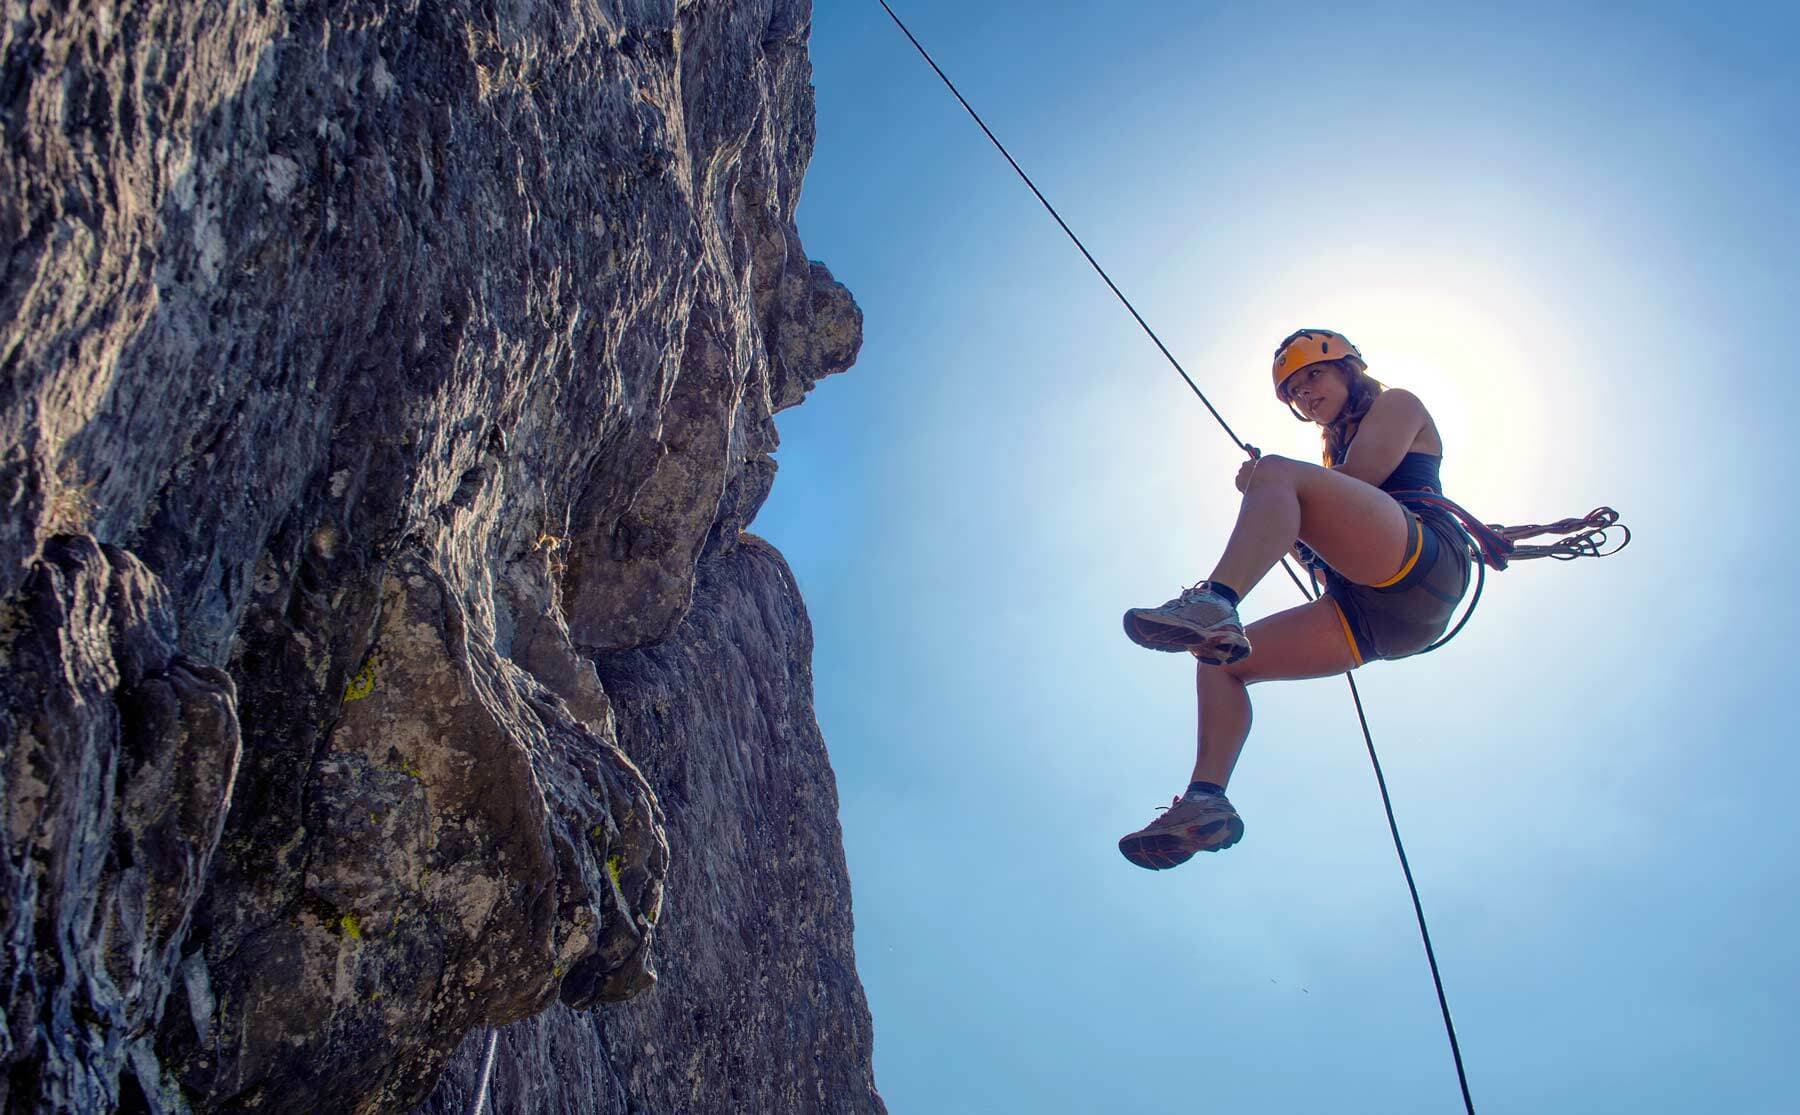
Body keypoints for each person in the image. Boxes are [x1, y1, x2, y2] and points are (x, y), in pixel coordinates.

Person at [1116, 329, 1472, 869]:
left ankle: (1215, 600)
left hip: (1424, 562)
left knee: (1278, 470)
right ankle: (1204, 802)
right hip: (1377, 614)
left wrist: (1273, 484)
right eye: (1295, 391)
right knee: (1218, 663)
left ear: (1349, 370)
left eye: (1314, 375)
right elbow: (1319, 548)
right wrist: (1281, 500)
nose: (1306, 393)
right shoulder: (1331, 463)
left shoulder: (1399, 404)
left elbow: (1365, 481)